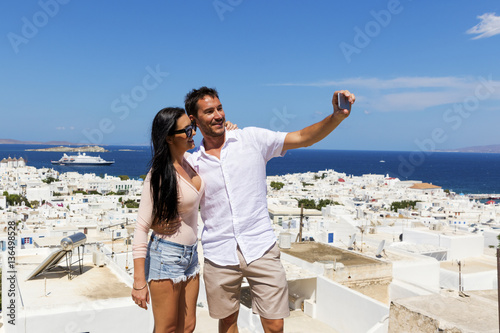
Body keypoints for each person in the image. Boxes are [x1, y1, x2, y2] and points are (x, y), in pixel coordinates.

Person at [182, 87, 355, 333]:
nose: (218, 115)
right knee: (227, 322)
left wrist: (335, 117)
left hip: (260, 246)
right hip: (219, 253)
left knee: (274, 324)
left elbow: (303, 137)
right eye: (209, 112)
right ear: (194, 120)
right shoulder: (193, 162)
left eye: (219, 108)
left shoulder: (251, 139)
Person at [131, 107, 204, 333]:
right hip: (166, 255)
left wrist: (229, 129)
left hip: (191, 255)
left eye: (193, 127)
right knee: (167, 329)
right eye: (187, 130)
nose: (193, 133)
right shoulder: (159, 175)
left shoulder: (189, 160)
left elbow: (216, 147)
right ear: (169, 138)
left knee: (188, 326)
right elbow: (142, 227)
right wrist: (138, 282)